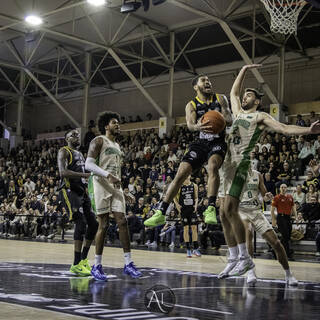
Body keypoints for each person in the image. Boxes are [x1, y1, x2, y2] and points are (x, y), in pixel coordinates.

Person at [219, 63, 320, 277]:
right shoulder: (237, 113)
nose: (244, 98)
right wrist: (244, 69)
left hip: (241, 165)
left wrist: (308, 130)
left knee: (232, 214)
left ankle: (245, 262)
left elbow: (284, 128)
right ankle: (236, 259)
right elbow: (233, 93)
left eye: (249, 96)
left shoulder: (260, 117)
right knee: (223, 214)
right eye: (245, 95)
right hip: (226, 166)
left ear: (257, 101)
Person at [144, 74, 232, 227]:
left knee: (212, 166)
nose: (208, 82)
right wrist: (198, 126)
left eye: (209, 80)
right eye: (203, 80)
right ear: (196, 87)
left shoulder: (220, 98)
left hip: (218, 141)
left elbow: (230, 118)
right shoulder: (191, 104)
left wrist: (217, 119)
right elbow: (191, 125)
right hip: (200, 143)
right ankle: (161, 212)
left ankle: (210, 208)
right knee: (180, 174)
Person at [85, 111, 142, 281]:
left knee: (123, 221)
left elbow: (115, 172)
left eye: (118, 123)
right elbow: (88, 164)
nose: (118, 125)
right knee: (103, 224)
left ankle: (128, 263)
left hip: (115, 187)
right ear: (105, 126)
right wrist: (107, 175)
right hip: (100, 184)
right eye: (114, 122)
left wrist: (124, 191)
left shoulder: (117, 146)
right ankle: (97, 265)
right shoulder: (98, 140)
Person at [221, 169, 298, 286]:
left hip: (257, 212)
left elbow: (264, 196)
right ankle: (251, 272)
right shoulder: (233, 175)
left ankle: (288, 274)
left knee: (276, 242)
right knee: (248, 232)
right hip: (241, 212)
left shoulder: (257, 175)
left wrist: (267, 196)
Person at [57, 129, 98, 276]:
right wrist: (86, 175)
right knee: (80, 223)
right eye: (73, 135)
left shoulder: (80, 154)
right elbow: (63, 173)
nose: (76, 136)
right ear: (67, 139)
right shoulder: (64, 151)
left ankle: (83, 260)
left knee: (94, 224)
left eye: (77, 135)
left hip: (82, 192)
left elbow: (82, 176)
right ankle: (75, 264)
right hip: (69, 190)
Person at [173, 175, 200, 258]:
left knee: (194, 228)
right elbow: (174, 197)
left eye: (188, 175)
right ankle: (188, 249)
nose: (187, 177)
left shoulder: (194, 185)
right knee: (185, 228)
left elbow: (196, 197)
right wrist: (177, 205)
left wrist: (196, 205)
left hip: (192, 209)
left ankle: (195, 248)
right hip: (183, 209)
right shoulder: (180, 186)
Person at [271, 184, 298, 260]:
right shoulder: (277, 197)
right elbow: (272, 210)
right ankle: (287, 253)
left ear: (287, 188)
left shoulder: (290, 197)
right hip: (281, 217)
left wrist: (296, 218)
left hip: (288, 218)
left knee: (288, 236)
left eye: (285, 187)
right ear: (280, 188)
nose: (283, 188)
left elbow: (293, 208)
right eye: (282, 187)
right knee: (285, 235)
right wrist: (273, 220)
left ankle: (275, 250)